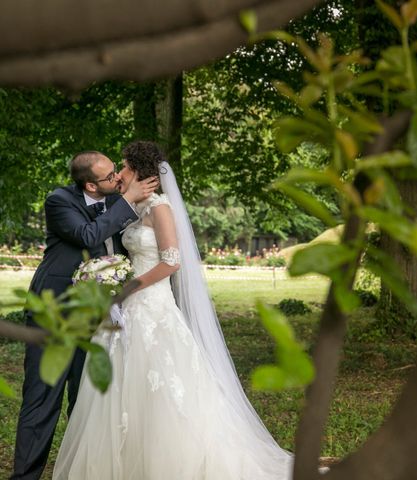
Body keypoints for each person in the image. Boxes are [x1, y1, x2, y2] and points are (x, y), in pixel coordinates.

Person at [52, 141, 293, 479]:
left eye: (122, 167)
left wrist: (126, 289)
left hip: (152, 304)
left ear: (137, 171)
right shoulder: (133, 206)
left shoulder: (161, 207)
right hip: (127, 306)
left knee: (163, 383)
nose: (119, 174)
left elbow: (172, 261)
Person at [11, 151, 158, 480]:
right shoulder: (59, 201)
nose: (118, 179)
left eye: (116, 173)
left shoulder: (117, 199)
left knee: (87, 401)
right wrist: (129, 199)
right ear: (90, 184)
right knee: (42, 399)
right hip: (56, 312)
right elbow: (88, 236)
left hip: (100, 317)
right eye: (110, 178)